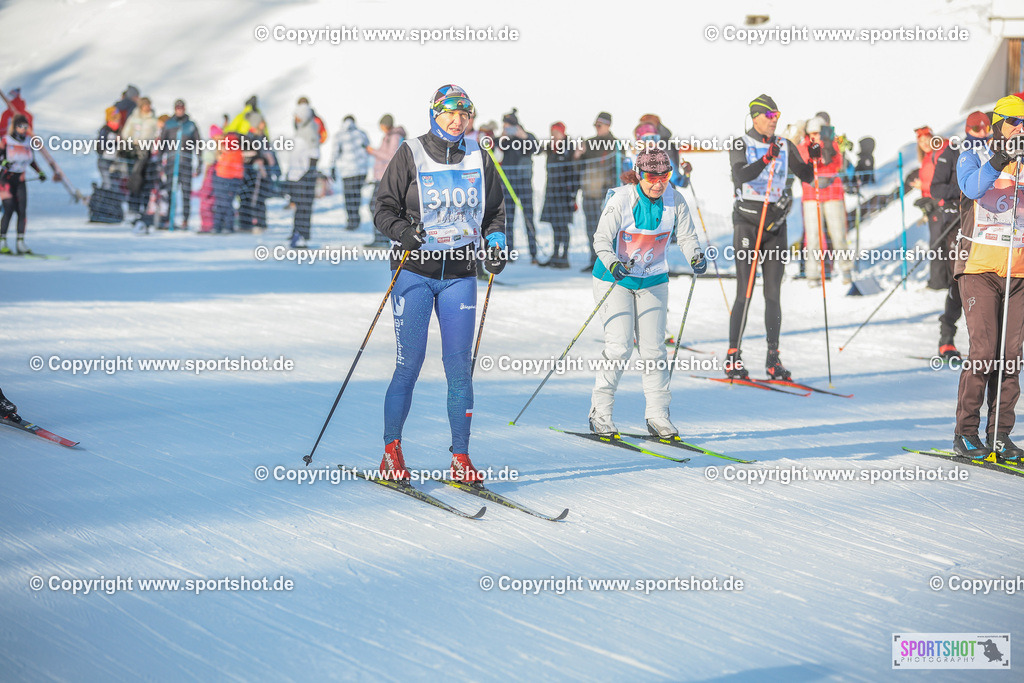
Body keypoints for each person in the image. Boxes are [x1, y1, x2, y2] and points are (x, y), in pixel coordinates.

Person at [373, 84, 506, 484]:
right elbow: (382, 208)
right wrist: (401, 231)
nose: (457, 120)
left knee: (459, 370)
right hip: (414, 272)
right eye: (449, 112)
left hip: (461, 275)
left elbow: (495, 213)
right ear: (435, 114)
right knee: (408, 366)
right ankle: (392, 451)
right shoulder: (410, 153)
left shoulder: (479, 157)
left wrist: (496, 243)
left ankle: (461, 457)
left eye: (464, 114)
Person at [589, 148, 706, 437]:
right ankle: (600, 413)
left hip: (653, 280)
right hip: (614, 279)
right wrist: (613, 263)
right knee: (619, 347)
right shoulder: (622, 199)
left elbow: (688, 236)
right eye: (652, 177)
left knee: (654, 350)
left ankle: (658, 416)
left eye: (664, 176)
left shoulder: (675, 199)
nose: (658, 183)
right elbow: (601, 239)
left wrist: (695, 256)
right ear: (640, 175)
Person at [951, 94, 1024, 460]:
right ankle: (965, 432)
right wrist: (1003, 159)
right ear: (998, 125)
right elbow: (972, 187)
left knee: (1011, 356)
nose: (1020, 128)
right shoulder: (974, 154)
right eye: (1014, 120)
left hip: (1018, 272)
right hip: (979, 269)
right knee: (984, 352)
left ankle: (1000, 433)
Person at [725, 94, 814, 381]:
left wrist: (813, 157)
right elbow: (741, 176)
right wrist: (766, 159)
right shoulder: (741, 144)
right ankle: (733, 356)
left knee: (773, 294)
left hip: (775, 225)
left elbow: (807, 176)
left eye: (777, 116)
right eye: (770, 116)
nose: (775, 121)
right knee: (745, 292)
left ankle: (773, 358)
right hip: (748, 224)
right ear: (755, 117)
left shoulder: (784, 145)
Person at [930, 113, 989, 361]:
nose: (982, 131)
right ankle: (947, 339)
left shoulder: (992, 150)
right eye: (976, 127)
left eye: (986, 126)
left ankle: (989, 344)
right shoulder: (954, 150)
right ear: (967, 129)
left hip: (986, 221)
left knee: (988, 281)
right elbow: (936, 188)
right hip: (956, 221)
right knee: (960, 278)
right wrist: (965, 186)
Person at [799, 115, 852, 285]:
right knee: (813, 235)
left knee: (838, 233)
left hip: (832, 193)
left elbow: (836, 164)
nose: (815, 136)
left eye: (817, 132)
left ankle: (846, 269)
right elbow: (803, 162)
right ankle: (812, 273)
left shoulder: (833, 143)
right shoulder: (803, 146)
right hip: (811, 195)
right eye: (811, 133)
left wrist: (826, 160)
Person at [575, 112, 619, 270]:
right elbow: (578, 168)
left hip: (607, 193)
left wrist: (614, 191)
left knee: (609, 228)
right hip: (589, 191)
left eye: (599, 125)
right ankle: (594, 261)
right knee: (592, 228)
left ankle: (609, 261)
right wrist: (577, 155)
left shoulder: (615, 144)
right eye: (595, 125)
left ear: (608, 125)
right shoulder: (588, 143)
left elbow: (618, 169)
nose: (597, 128)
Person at [911, 125, 952, 290]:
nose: (924, 144)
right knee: (938, 244)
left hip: (941, 205)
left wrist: (923, 184)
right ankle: (940, 280)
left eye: (927, 140)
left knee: (938, 244)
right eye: (921, 142)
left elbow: (943, 179)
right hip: (932, 206)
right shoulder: (928, 156)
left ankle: (940, 281)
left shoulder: (940, 153)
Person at [0, 114, 47, 254]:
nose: (23, 129)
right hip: (6, 179)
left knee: (22, 210)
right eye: (20, 126)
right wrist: (4, 162)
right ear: (15, 127)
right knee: (8, 208)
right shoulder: (6, 140)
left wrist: (40, 172)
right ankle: (2, 241)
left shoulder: (28, 141)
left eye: (25, 127)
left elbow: (31, 160)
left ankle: (20, 243)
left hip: (20, 179)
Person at [497, 108, 539, 263]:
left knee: (529, 217)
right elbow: (494, 149)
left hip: (524, 183)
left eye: (511, 125)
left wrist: (525, 136)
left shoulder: (527, 137)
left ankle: (533, 253)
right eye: (506, 125)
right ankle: (509, 253)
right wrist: (502, 137)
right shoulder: (505, 139)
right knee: (509, 220)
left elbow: (537, 148)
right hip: (508, 184)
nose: (509, 128)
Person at [540, 121, 578, 268]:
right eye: (552, 133)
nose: (554, 136)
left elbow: (574, 172)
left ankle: (564, 257)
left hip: (565, 192)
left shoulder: (569, 148)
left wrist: (573, 194)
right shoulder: (551, 148)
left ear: (563, 133)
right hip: (552, 191)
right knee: (555, 225)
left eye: (557, 133)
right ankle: (555, 254)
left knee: (563, 225)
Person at [159, 99, 202, 229]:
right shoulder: (169, 124)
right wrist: (160, 162)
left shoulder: (191, 125)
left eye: (181, 108)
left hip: (186, 163)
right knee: (171, 191)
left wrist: (199, 163)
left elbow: (198, 145)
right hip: (171, 163)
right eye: (177, 108)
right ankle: (169, 218)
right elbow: (162, 144)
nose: (179, 110)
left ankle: (185, 219)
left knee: (186, 192)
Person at [366, 114, 406, 247]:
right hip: (380, 176)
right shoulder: (388, 136)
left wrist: (373, 152)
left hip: (386, 178)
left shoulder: (394, 137)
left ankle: (383, 237)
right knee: (375, 207)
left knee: (377, 207)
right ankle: (380, 237)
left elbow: (391, 156)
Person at [286, 103, 321, 247]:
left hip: (303, 175)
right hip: (296, 174)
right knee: (298, 206)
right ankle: (296, 232)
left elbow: (314, 153)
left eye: (297, 117)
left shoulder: (310, 131)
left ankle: (302, 235)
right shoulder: (300, 130)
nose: (295, 119)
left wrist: (308, 173)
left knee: (303, 207)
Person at [121, 97, 158, 219]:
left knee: (143, 179)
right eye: (145, 105)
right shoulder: (134, 118)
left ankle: (143, 206)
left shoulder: (153, 119)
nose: (147, 107)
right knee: (133, 178)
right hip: (133, 150)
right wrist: (131, 142)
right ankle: (133, 206)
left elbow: (156, 134)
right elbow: (126, 132)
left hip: (146, 150)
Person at [331, 115, 371, 230]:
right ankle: (356, 218)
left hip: (347, 171)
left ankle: (351, 220)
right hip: (360, 171)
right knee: (356, 195)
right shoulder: (362, 134)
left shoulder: (339, 136)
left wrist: (332, 167)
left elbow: (335, 153)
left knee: (348, 197)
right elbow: (367, 150)